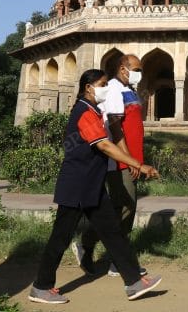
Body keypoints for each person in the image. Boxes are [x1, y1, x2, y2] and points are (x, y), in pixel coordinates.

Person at [28, 69, 162, 304]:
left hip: (92, 186)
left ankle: (133, 282)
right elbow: (105, 147)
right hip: (77, 186)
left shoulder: (92, 110)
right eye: (102, 84)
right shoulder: (83, 112)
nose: (106, 88)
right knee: (60, 237)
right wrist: (138, 165)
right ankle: (41, 287)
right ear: (88, 87)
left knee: (112, 233)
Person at [73, 54, 146, 277]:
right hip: (120, 160)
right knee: (125, 206)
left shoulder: (129, 89)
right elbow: (114, 127)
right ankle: (112, 256)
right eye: (136, 69)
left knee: (120, 209)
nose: (139, 73)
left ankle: (98, 248)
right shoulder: (113, 88)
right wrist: (128, 159)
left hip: (131, 158)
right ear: (123, 69)